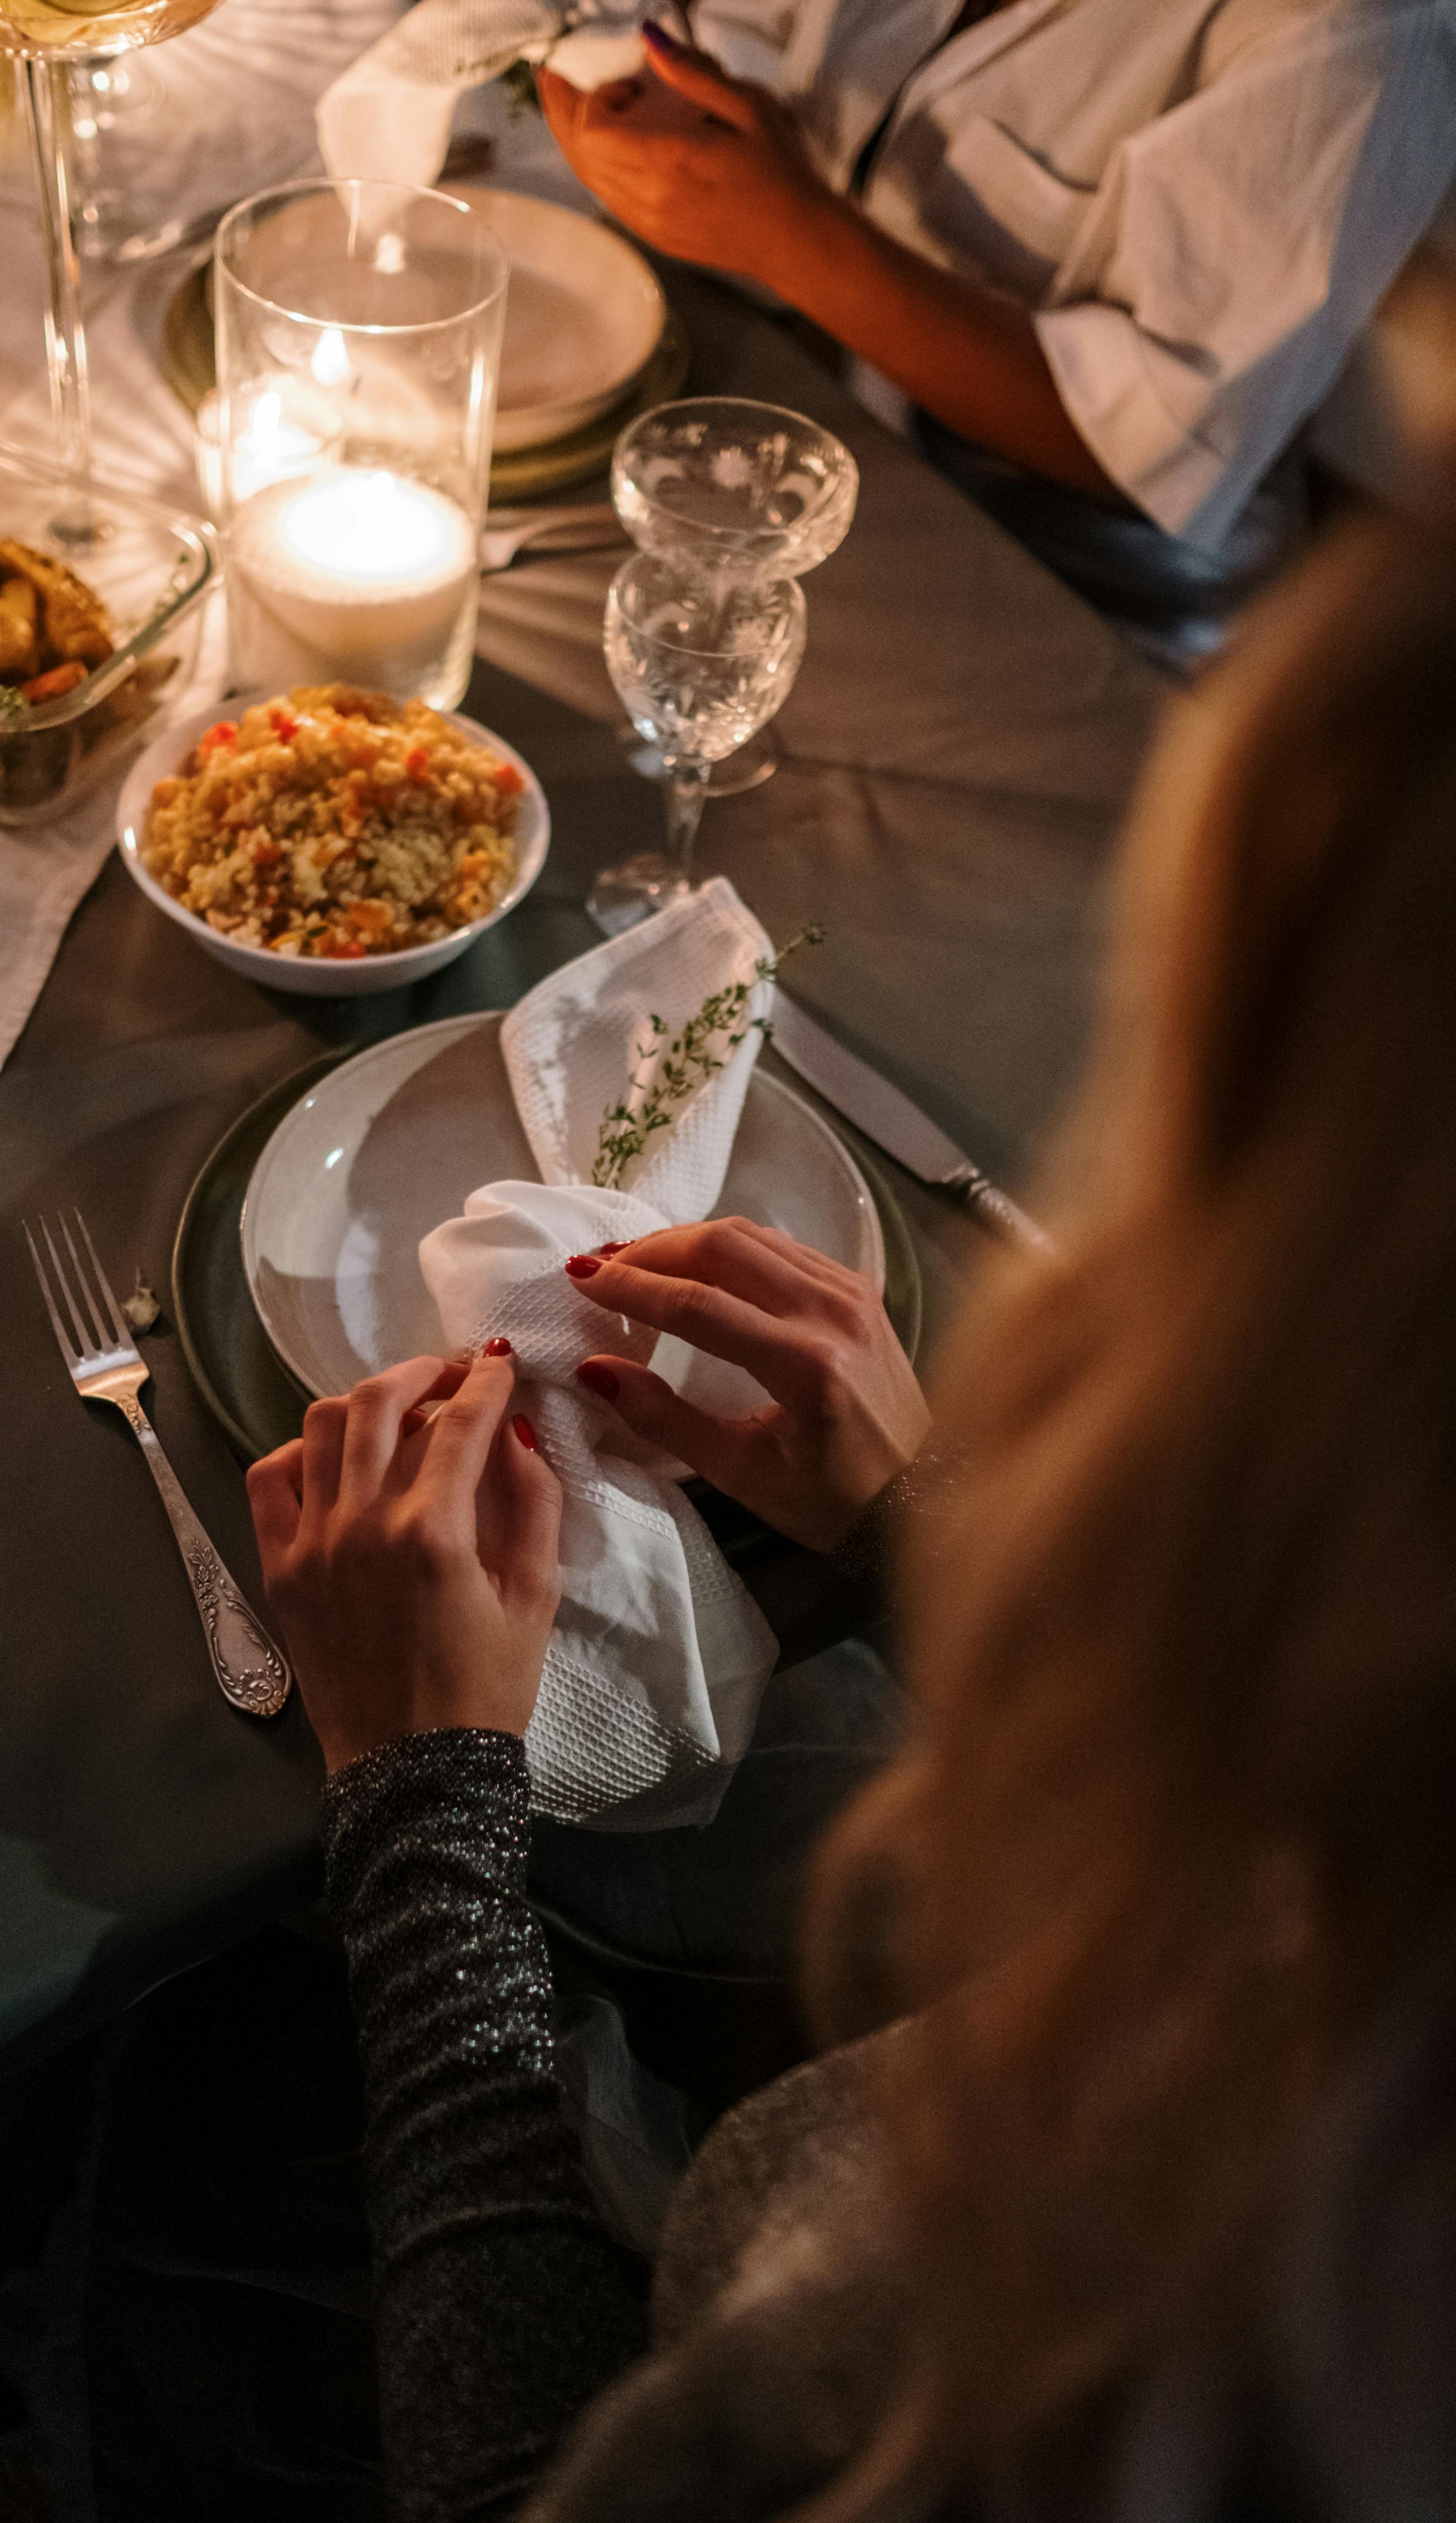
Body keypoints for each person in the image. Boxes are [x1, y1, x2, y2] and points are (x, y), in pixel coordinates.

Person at [233, 472, 1456, 2522]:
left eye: (1172, 1120)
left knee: (183, 2138)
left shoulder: (1151, 2268)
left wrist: (426, 1817)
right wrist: (924, 1525)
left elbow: (523, 2479)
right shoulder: (1351, 1861)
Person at [537, 0, 1456, 656]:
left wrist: (789, 237)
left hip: (1077, 601)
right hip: (799, 450)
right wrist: (615, 97)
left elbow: (1137, 453)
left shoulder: (1347, 35)